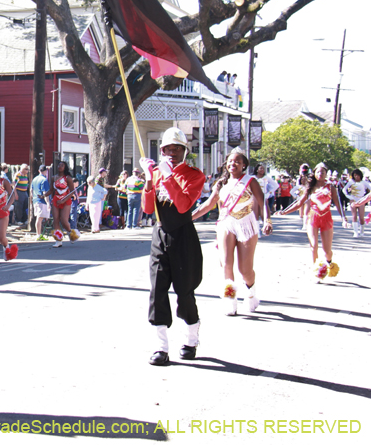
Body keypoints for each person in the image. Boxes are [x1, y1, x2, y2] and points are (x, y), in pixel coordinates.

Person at [142, 127, 206, 366]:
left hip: (183, 236)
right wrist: (150, 180)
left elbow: (182, 206)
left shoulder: (194, 175)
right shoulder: (157, 173)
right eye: (168, 148)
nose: (172, 153)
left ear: (184, 152)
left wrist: (168, 177)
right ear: (161, 150)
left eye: (177, 149)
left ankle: (191, 338)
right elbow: (148, 209)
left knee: (184, 291)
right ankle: (161, 346)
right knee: (157, 290)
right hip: (160, 234)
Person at [193, 148, 272, 315]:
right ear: (226, 164)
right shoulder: (221, 184)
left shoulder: (250, 181)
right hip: (226, 223)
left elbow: (262, 201)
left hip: (246, 224)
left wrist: (267, 220)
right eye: (230, 161)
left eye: (237, 161)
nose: (233, 164)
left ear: (244, 165)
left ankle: (251, 293)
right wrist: (188, 217)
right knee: (226, 263)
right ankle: (230, 298)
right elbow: (208, 204)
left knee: (245, 269)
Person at [278, 163, 346, 280]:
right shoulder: (309, 187)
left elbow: (338, 203)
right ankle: (317, 271)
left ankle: (328, 262)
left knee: (327, 250)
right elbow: (299, 203)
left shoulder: (331, 187)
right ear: (314, 173)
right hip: (313, 218)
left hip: (326, 218)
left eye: (323, 172)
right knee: (313, 246)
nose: (320, 174)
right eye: (318, 172)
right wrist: (283, 212)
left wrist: (343, 218)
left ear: (326, 174)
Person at [47, 161, 78, 245]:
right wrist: (43, 196)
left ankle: (71, 233)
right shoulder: (53, 177)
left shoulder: (68, 178)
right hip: (56, 199)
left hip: (66, 200)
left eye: (62, 165)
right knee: (55, 220)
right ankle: (58, 240)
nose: (60, 166)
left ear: (65, 167)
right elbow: (51, 190)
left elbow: (72, 192)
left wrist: (63, 200)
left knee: (64, 220)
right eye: (59, 165)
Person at [344, 169, 370, 237]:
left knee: (361, 217)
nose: (356, 177)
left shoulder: (364, 182)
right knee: (354, 216)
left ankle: (362, 232)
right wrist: (348, 196)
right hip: (353, 200)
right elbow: (344, 189)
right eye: (355, 175)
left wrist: (366, 197)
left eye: (358, 175)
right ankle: (355, 232)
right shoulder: (351, 182)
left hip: (361, 200)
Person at [31, 164, 51, 238]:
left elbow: (31, 190)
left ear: (39, 171)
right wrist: (48, 203)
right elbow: (45, 193)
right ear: (45, 171)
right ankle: (38, 235)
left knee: (39, 218)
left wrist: (32, 199)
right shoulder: (44, 180)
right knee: (39, 218)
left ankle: (39, 234)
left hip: (35, 199)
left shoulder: (34, 179)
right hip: (41, 200)